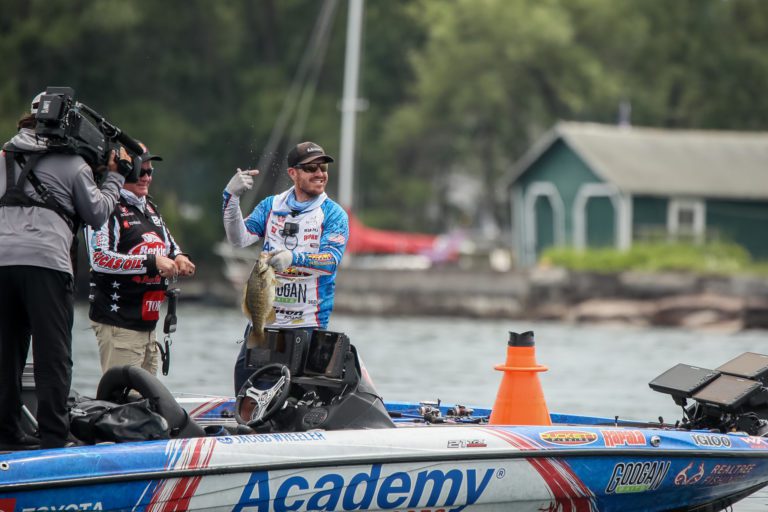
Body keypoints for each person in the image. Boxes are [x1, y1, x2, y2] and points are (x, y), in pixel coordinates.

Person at [0, 92, 128, 450]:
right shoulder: (73, 164)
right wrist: (115, 178)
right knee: (52, 354)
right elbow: (98, 213)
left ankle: (6, 433)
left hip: (2, 263)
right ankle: (54, 436)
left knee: (6, 353)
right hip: (46, 263)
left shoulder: (3, 157)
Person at [222, 141, 349, 393]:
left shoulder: (334, 214)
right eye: (311, 168)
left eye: (323, 167)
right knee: (246, 395)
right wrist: (231, 198)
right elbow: (239, 239)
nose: (320, 174)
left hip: (308, 325)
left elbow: (330, 261)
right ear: (293, 173)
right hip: (265, 323)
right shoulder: (271, 206)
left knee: (296, 401)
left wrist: (294, 258)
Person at [86, 142, 195, 376]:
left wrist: (180, 257)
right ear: (126, 171)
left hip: (148, 326)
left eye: (150, 172)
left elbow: (169, 245)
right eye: (141, 171)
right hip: (119, 323)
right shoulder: (106, 206)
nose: (147, 177)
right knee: (120, 404)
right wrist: (152, 262)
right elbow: (100, 258)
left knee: (144, 405)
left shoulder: (149, 207)